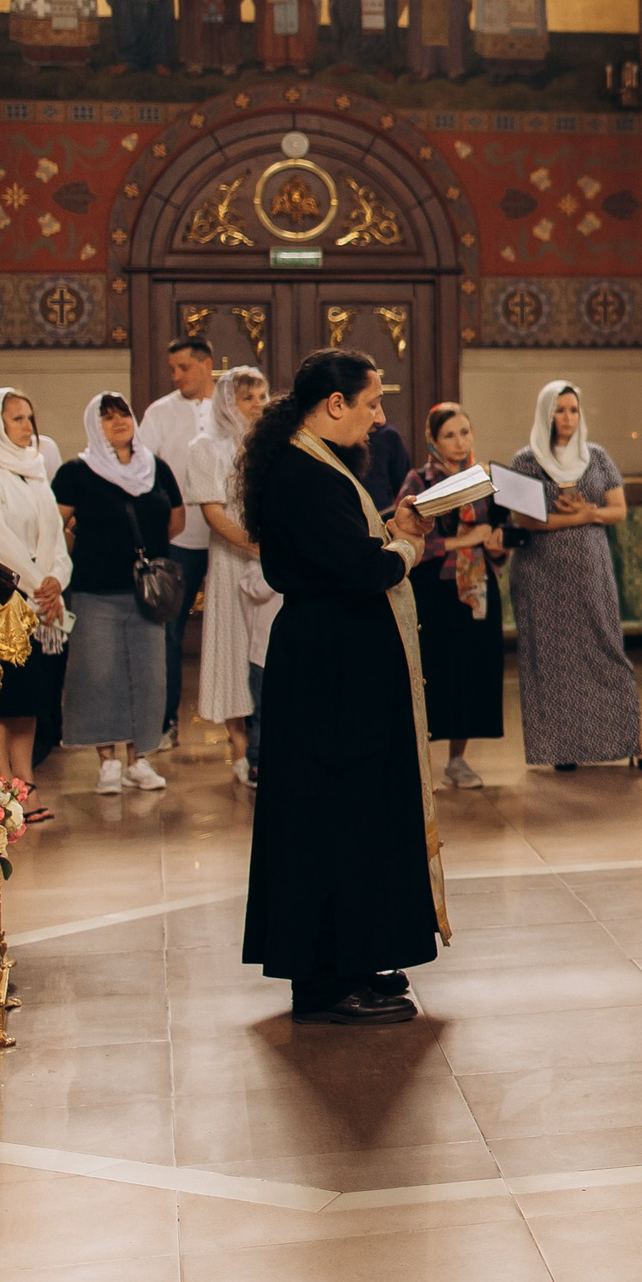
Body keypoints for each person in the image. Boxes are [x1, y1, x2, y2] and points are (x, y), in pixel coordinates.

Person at [240, 349, 443, 1026]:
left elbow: (342, 548)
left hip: (337, 659)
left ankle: (359, 956)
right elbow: (358, 569)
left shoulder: (317, 465)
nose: (380, 417)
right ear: (334, 405)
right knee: (332, 813)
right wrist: (409, 546)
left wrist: (391, 526)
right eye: (371, 403)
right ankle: (324, 979)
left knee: (358, 810)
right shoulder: (304, 473)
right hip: (328, 666)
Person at [505, 381, 642, 773]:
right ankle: (563, 748)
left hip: (591, 572)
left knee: (607, 651)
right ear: (546, 414)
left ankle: (637, 743)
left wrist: (589, 513)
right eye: (560, 410)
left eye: (573, 409)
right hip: (541, 575)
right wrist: (583, 515)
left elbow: (618, 510)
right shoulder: (526, 460)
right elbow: (525, 521)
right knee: (555, 660)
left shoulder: (597, 457)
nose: (568, 418)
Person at [50, 392, 183, 795]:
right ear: (95, 425)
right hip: (95, 590)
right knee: (98, 675)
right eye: (107, 417)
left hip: (147, 594)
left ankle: (139, 759)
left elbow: (175, 520)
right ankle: (107, 761)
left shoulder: (155, 468)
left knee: (148, 677)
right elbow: (54, 525)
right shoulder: (77, 471)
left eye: (122, 413)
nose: (118, 421)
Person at [395, 403, 511, 790]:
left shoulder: (484, 480)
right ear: (432, 439)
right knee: (433, 672)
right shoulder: (419, 481)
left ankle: (458, 760)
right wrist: (464, 539)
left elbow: (497, 536)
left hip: (476, 587)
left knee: (472, 671)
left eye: (465, 432)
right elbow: (411, 541)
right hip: (435, 589)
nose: (459, 442)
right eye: (449, 435)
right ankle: (418, 763)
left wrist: (496, 546)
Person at [0, 388, 68, 779]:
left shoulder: (34, 471)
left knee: (32, 702)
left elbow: (54, 537)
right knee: (6, 702)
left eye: (29, 418)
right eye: (17, 418)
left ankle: (27, 780)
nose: (27, 426)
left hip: (40, 603)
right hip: (6, 603)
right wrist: (43, 588)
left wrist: (57, 580)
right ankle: (4, 784)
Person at [186, 367, 268, 788]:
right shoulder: (207, 447)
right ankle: (239, 746)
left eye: (261, 396)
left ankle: (267, 744)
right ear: (226, 403)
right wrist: (254, 545)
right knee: (235, 649)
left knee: (266, 652)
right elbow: (213, 512)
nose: (257, 404)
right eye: (247, 397)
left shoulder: (271, 446)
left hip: (271, 561)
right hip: (232, 557)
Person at [139, 337, 218, 749]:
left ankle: (247, 730)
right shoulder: (160, 412)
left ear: (206, 365)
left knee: (235, 631)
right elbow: (142, 467)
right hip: (181, 540)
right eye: (173, 369)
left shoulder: (229, 404)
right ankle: (166, 721)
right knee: (169, 631)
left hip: (229, 539)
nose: (176, 376)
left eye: (184, 367)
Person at [361, 414, 414, 510]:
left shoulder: (388, 436)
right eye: (372, 405)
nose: (381, 419)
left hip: (380, 517)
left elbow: (403, 488)